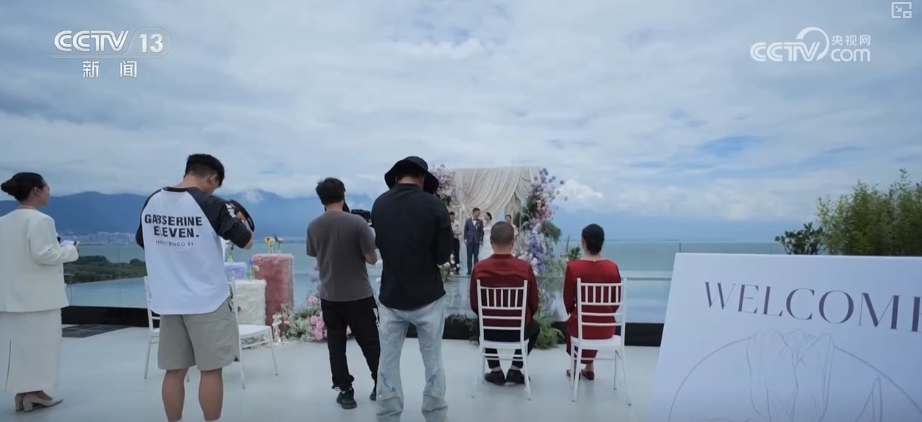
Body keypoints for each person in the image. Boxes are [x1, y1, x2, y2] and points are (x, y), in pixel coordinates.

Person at [136, 154, 254, 422]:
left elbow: (144, 240)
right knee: (210, 370)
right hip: (207, 301)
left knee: (174, 371)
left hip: (168, 301)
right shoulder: (213, 204)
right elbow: (245, 241)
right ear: (212, 178)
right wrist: (239, 218)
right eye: (215, 186)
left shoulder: (153, 200)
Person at [372, 156, 452, 422]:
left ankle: (388, 415)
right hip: (427, 296)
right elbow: (443, 256)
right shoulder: (434, 205)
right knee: (433, 360)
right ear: (422, 179)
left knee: (388, 360)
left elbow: (381, 244)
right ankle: (435, 414)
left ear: (396, 178)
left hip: (391, 295)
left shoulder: (380, 204)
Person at [0, 173, 78, 412]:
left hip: (10, 298)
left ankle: (23, 393)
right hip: (39, 299)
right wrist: (72, 251)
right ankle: (36, 392)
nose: (49, 193)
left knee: (18, 349)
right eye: (46, 188)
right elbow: (45, 254)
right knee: (42, 347)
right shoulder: (41, 221)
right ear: (36, 190)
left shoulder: (3, 221)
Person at [306, 177, 381, 409]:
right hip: (359, 294)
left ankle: (346, 392)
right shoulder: (358, 223)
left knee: (336, 345)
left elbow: (315, 254)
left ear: (321, 199)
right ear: (343, 194)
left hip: (330, 295)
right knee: (370, 343)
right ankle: (381, 385)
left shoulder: (313, 226)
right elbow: (372, 259)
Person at [469, 222, 539, 386]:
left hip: (489, 331)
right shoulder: (524, 268)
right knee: (535, 328)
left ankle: (496, 370)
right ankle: (515, 369)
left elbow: (474, 305)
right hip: (518, 331)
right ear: (513, 242)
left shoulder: (479, 268)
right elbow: (533, 303)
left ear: (491, 241)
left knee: (479, 324)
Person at [563, 224, 621, 380]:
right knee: (593, 319)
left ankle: (575, 367)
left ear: (583, 241)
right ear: (602, 242)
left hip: (582, 327)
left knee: (576, 322)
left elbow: (568, 301)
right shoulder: (612, 267)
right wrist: (604, 313)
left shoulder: (574, 267)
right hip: (607, 328)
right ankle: (589, 367)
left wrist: (574, 312)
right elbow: (616, 301)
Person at [463, 208, 484, 274]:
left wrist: (481, 240)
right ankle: (469, 269)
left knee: (476, 256)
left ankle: (475, 269)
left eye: (479, 213)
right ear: (473, 213)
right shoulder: (468, 221)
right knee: (469, 256)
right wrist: (465, 238)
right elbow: (465, 230)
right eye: (477, 213)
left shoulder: (480, 221)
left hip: (476, 240)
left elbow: (481, 232)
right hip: (469, 240)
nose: (478, 214)